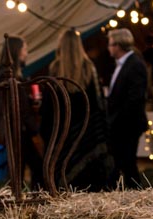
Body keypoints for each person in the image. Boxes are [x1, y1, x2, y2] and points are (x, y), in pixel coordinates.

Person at [41, 28, 113, 192]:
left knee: (65, 180)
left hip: (63, 132)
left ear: (61, 46)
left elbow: (48, 107)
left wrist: (47, 132)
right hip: (87, 133)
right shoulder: (89, 68)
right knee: (88, 185)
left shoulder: (55, 69)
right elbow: (97, 103)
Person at [0, 35, 45, 191]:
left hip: (22, 128)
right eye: (24, 49)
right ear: (16, 51)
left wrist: (30, 100)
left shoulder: (18, 74)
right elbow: (15, 105)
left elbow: (20, 102)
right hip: (17, 128)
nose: (26, 53)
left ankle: (33, 198)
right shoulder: (6, 74)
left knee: (32, 167)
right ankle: (20, 201)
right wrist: (34, 130)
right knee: (21, 170)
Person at [105, 27, 149, 188]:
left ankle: (134, 191)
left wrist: (117, 119)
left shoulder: (135, 65)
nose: (108, 48)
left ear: (118, 45)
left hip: (127, 124)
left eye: (110, 44)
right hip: (120, 123)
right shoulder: (121, 65)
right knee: (122, 163)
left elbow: (134, 99)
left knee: (126, 162)